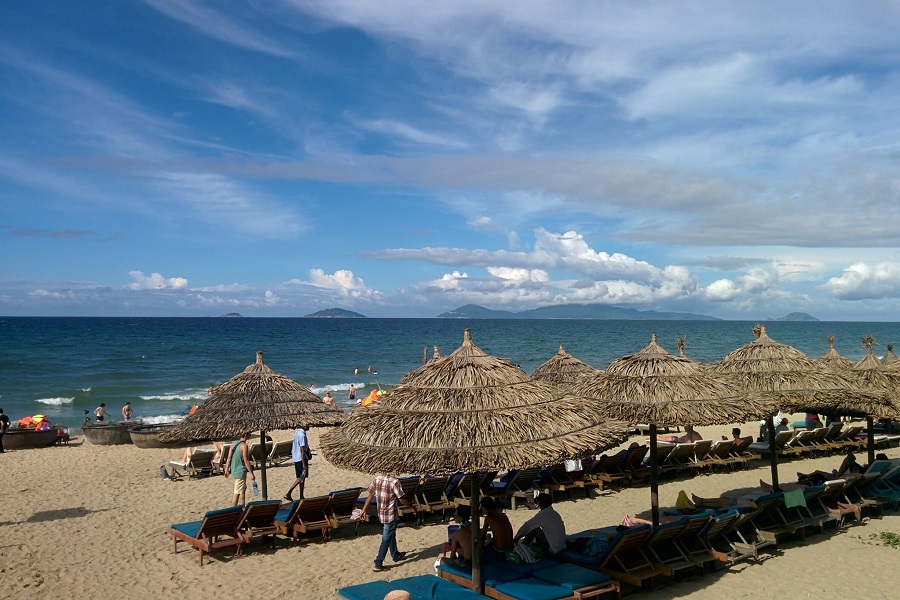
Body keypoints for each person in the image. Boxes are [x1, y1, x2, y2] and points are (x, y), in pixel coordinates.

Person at [359, 473, 416, 572]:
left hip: (381, 513)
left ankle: (395, 554)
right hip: (390, 514)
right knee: (386, 538)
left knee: (390, 533)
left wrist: (364, 509)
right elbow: (401, 499)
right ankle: (378, 563)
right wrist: (412, 506)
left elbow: (370, 495)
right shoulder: (395, 482)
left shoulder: (377, 479)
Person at [224, 432, 256, 506]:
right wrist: (251, 473)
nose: (250, 435)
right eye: (249, 434)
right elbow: (246, 460)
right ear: (245, 435)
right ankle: (233, 509)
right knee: (237, 492)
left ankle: (242, 506)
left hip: (234, 470)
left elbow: (229, 458)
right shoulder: (244, 446)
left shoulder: (233, 444)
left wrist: (226, 469)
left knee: (242, 490)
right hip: (240, 471)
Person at [284, 427, 309, 501]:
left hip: (296, 457)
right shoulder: (302, 435)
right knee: (300, 477)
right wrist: (304, 464)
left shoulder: (297, 432)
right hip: (300, 458)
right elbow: (302, 450)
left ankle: (301, 495)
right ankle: (289, 493)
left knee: (302, 477)